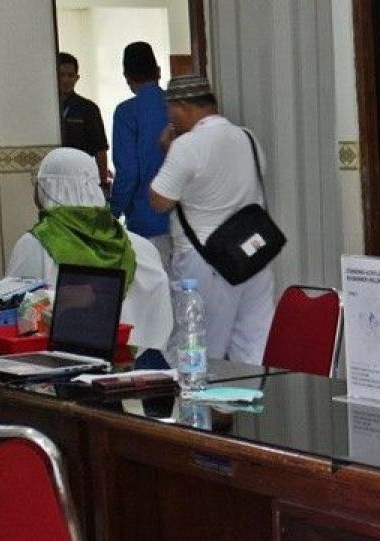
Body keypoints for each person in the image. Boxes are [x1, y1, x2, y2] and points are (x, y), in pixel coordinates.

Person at [149, 74, 275, 365]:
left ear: (181, 106)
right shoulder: (248, 137)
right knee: (252, 347)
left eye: (169, 109)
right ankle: (246, 407)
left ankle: (203, 411)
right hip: (253, 255)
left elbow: (159, 201)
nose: (169, 118)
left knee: (199, 352)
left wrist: (169, 152)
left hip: (205, 260)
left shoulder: (187, 145)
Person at [6, 148, 172, 352]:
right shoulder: (142, 249)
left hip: (61, 369)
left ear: (47, 188)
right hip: (140, 368)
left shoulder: (35, 244)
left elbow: (14, 315)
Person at [110, 42, 172, 269]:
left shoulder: (127, 112)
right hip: (186, 221)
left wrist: (112, 212)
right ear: (158, 71)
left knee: (154, 294)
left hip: (147, 221)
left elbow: (128, 173)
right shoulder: (179, 106)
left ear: (127, 77)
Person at [56, 52, 110, 190]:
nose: (66, 80)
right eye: (61, 75)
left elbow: (100, 149)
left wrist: (103, 183)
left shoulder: (89, 108)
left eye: (70, 75)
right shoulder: (45, 107)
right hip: (53, 177)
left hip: (81, 178)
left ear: (77, 78)